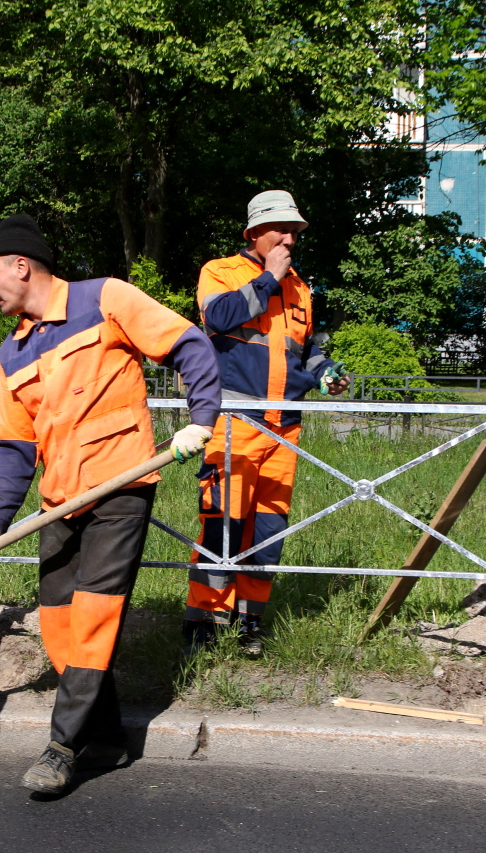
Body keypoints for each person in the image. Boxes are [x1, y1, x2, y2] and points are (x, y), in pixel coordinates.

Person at [0, 215, 221, 796]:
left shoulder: (104, 298)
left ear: (20, 266)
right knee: (57, 622)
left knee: (95, 617)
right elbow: (12, 449)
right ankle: (105, 736)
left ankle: (61, 749)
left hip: (122, 486)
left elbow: (188, 343)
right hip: (62, 499)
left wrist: (199, 420)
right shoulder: (11, 354)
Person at [183, 190, 349, 656]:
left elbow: (306, 350)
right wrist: (268, 279)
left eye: (295, 231)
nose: (290, 238)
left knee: (269, 532)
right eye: (282, 229)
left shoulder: (301, 288)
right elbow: (218, 318)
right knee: (222, 525)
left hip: (285, 429)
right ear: (254, 232)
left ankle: (249, 622)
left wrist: (328, 373)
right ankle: (205, 623)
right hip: (234, 424)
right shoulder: (220, 272)